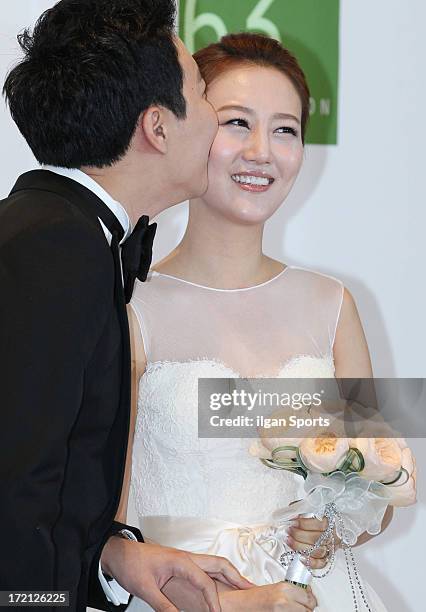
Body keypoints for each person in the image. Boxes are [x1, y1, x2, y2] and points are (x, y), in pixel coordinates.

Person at [0, 2, 253, 610]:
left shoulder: (64, 234)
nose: (216, 118)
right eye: (202, 92)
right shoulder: (54, 248)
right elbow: (15, 488)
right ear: (157, 128)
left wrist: (111, 562)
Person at [126, 33, 393, 611]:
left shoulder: (331, 305)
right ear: (185, 126)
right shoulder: (130, 305)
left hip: (310, 594)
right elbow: (103, 525)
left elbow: (377, 487)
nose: (261, 152)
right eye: (237, 123)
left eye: (285, 129)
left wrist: (335, 525)